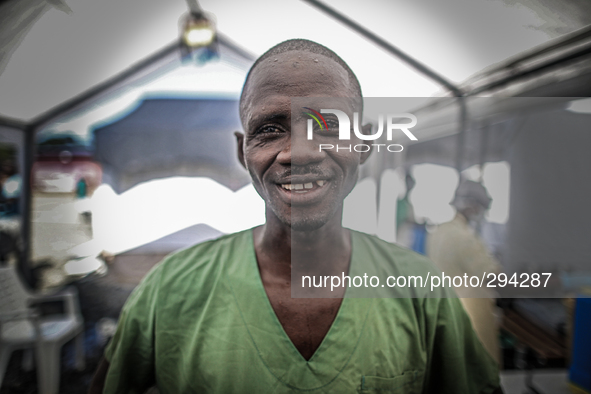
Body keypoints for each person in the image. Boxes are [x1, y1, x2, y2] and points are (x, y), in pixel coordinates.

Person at [89, 40, 502, 393]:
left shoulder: (420, 290)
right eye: (269, 129)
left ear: (363, 145)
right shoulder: (170, 289)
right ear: (242, 152)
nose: (299, 152)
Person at [426, 179, 503, 365]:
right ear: (472, 206)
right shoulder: (465, 238)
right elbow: (491, 276)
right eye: (480, 207)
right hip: (470, 312)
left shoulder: (438, 232)